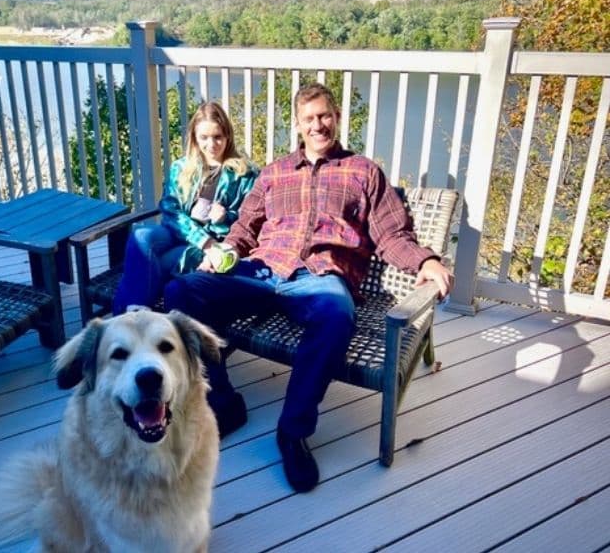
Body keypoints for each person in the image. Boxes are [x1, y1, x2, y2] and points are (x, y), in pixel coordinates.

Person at [164, 83, 453, 493]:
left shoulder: (363, 172)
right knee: (181, 294)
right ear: (297, 126)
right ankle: (224, 403)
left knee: (337, 315)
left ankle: (292, 432)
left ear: (335, 116)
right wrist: (224, 250)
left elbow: (392, 234)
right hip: (262, 270)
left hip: (321, 277)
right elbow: (246, 228)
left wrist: (424, 260)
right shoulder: (275, 173)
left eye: (324, 116)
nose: (318, 125)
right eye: (309, 119)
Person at [112, 101, 258, 314]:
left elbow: (250, 220)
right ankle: (137, 314)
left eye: (218, 137)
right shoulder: (181, 168)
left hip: (211, 246)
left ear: (228, 136)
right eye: (204, 138)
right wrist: (203, 240)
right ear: (195, 139)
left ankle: (129, 317)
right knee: (141, 235)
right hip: (179, 233)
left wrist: (226, 217)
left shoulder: (244, 174)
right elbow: (170, 210)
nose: (212, 144)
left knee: (150, 266)